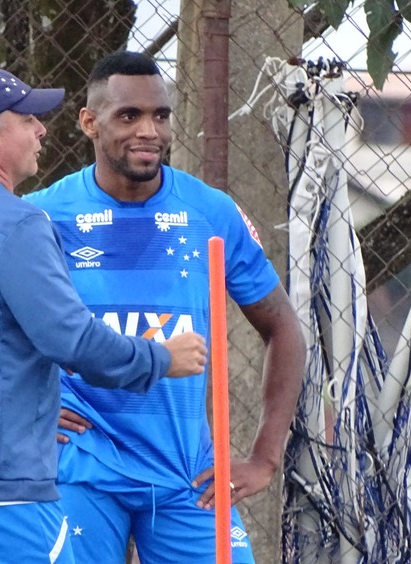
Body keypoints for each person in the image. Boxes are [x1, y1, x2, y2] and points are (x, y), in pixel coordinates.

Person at [0, 66, 209, 564]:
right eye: (26, 119)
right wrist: (160, 358)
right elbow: (71, 340)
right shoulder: (15, 221)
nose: (41, 129)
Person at [24, 52, 306, 563]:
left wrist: (265, 459)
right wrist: (24, 410)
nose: (149, 130)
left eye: (161, 115)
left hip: (186, 476)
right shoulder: (44, 216)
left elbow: (284, 329)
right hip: (81, 468)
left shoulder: (210, 213)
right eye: (128, 116)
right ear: (90, 122)